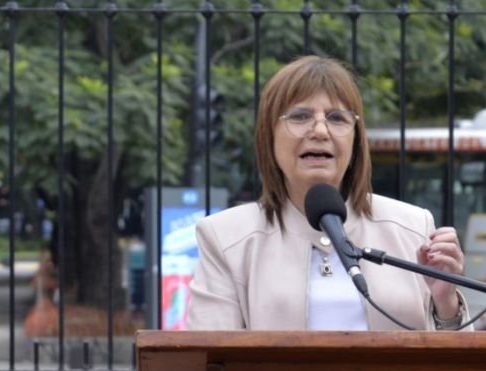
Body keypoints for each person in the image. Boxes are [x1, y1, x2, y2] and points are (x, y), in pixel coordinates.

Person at [186, 55, 470, 331]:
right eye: (300, 116)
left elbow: (457, 360)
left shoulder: (413, 228)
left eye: (337, 118)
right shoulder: (224, 237)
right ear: (268, 135)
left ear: (355, 139)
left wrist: (445, 302)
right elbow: (210, 355)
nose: (320, 131)